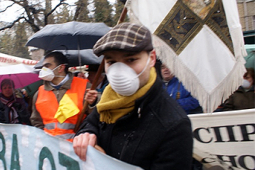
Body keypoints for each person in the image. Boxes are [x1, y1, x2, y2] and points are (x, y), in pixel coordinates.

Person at [72, 23, 193, 169]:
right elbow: (92, 122)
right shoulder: (109, 99)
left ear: (152, 59)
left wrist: (106, 165)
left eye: (130, 60)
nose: (119, 70)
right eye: (111, 62)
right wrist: (87, 134)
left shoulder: (173, 124)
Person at [30, 52, 91, 141]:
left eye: (47, 66)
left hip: (77, 147)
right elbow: (36, 120)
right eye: (43, 67)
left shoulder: (84, 87)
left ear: (61, 68)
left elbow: (95, 116)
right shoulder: (39, 93)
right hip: (50, 147)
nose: (43, 70)